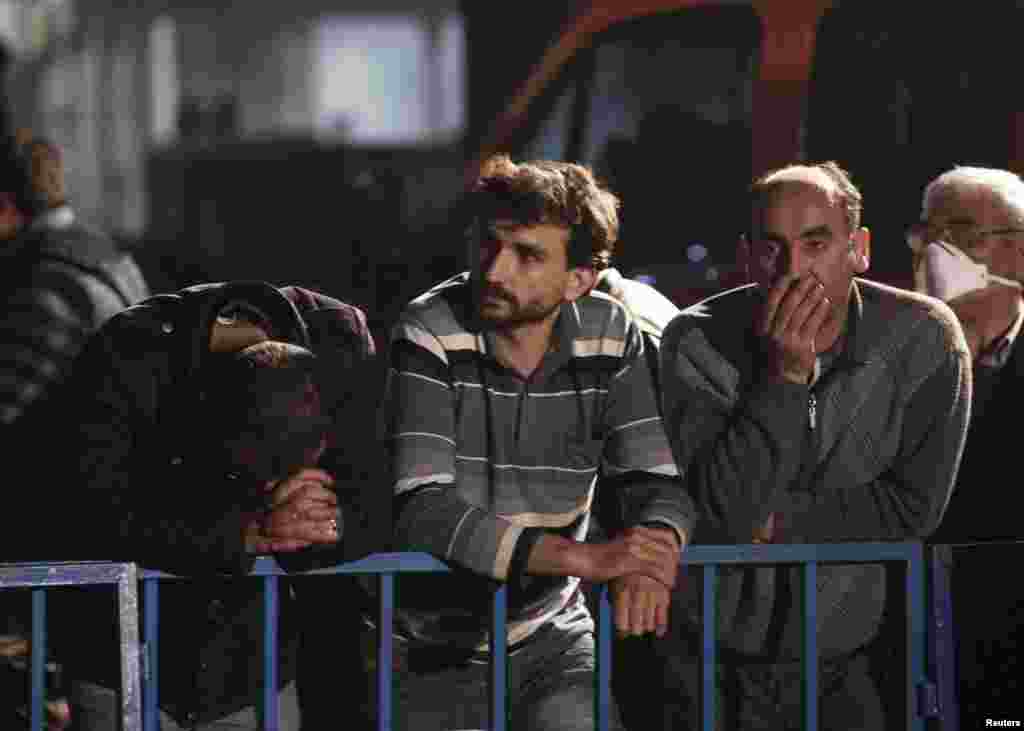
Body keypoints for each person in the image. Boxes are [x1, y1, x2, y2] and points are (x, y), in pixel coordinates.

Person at [383, 155, 693, 730]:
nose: (494, 269)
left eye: (527, 255)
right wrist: (590, 559)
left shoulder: (610, 331)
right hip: (424, 645)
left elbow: (654, 480)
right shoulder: (430, 327)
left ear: (578, 279)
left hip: (551, 634)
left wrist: (653, 553)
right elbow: (422, 508)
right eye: (490, 243)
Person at [658, 161, 971, 730]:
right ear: (747, 256)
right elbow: (726, 510)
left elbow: (911, 509)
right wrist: (783, 377)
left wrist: (774, 524)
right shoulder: (694, 338)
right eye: (772, 249)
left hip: (853, 655)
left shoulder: (925, 337)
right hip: (712, 656)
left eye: (816, 244)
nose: (794, 269)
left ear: (859, 249)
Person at [48, 280, 377, 731]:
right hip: (120, 662)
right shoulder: (127, 353)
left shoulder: (340, 342)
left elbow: (378, 497)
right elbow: (85, 515)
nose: (273, 488)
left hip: (256, 668)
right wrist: (245, 532)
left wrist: (323, 520)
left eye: (292, 468)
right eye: (258, 472)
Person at [909, 166, 1024, 723]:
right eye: (928, 234)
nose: (936, 252)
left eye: (961, 235)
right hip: (921, 613)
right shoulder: (891, 346)